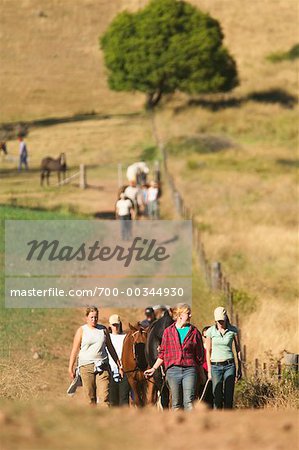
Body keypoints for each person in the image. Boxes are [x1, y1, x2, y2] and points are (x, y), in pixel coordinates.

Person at [144, 303, 204, 411]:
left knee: (189, 402)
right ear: (180, 315)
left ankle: (190, 426)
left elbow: (199, 355)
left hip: (189, 370)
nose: (190, 316)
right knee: (176, 404)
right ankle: (178, 426)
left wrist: (201, 373)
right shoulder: (168, 332)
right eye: (188, 313)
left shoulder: (194, 332)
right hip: (173, 371)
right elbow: (162, 353)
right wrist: (153, 369)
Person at [68, 306, 123, 406]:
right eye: (92, 317)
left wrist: (119, 365)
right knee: (90, 398)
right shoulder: (81, 330)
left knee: (104, 397)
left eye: (96, 317)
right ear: (87, 318)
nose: (94, 319)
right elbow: (74, 350)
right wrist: (70, 368)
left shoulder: (103, 330)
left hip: (102, 366)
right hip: (86, 367)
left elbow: (111, 348)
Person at [205, 306, 242, 409]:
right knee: (217, 396)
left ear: (226, 318)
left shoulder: (233, 331)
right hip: (215, 366)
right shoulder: (210, 332)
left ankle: (228, 419)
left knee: (228, 396)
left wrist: (239, 368)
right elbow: (208, 351)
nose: (220, 323)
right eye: (218, 320)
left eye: (222, 320)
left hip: (229, 365)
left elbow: (238, 349)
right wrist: (209, 370)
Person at [107, 314, 130, 407]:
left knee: (124, 398)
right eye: (113, 325)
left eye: (117, 324)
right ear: (110, 325)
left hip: (124, 371)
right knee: (112, 399)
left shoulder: (125, 337)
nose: (115, 327)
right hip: (110, 370)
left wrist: (122, 366)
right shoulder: (107, 337)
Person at [200, 325, 214, 408]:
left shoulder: (216, 348)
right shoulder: (200, 348)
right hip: (203, 375)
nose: (207, 338)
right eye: (205, 336)